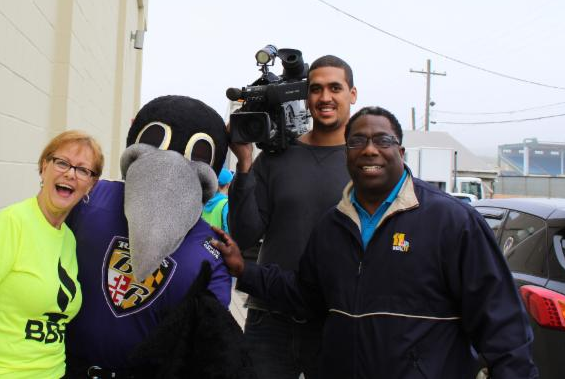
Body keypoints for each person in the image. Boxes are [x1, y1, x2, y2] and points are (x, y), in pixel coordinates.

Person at [213, 106, 538, 379]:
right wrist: (244, 270)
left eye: (383, 140)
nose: (370, 149)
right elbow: (305, 295)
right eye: (357, 141)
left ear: (401, 152)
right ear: (346, 154)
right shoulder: (331, 227)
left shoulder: (452, 221)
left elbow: (502, 323)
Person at [64, 95, 252, 379]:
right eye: (155, 138)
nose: (171, 163)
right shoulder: (90, 197)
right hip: (67, 366)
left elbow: (207, 340)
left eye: (199, 152)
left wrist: (246, 162)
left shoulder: (211, 248)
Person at [228, 54, 356, 378]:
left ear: (352, 94)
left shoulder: (364, 162)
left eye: (335, 88)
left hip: (335, 320)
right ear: (305, 95)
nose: (325, 97)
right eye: (316, 89)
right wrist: (244, 164)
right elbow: (244, 234)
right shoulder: (274, 158)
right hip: (269, 319)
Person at [0, 130, 104, 379]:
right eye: (62, 163)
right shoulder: (12, 223)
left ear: (91, 186)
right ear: (44, 167)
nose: (70, 174)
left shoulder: (69, 239)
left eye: (83, 170)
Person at [202, 167, 234, 232]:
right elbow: (229, 232)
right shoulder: (226, 204)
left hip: (204, 237)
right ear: (228, 185)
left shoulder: (204, 200)